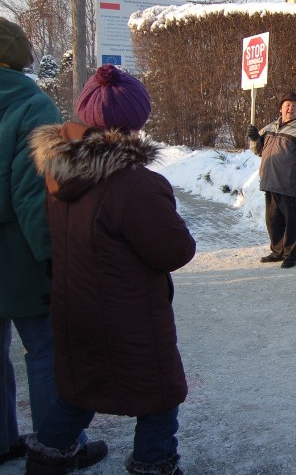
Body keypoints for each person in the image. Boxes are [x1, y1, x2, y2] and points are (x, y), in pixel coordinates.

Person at [26, 64, 196, 474]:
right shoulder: (133, 183)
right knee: (158, 397)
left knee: (79, 390)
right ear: (136, 121)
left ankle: (46, 460)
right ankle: (154, 464)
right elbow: (174, 250)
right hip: (129, 317)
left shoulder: (59, 172)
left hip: (77, 309)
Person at [0, 18, 106, 470]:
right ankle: (58, 444)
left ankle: (4, 441)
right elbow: (31, 193)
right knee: (45, 351)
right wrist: (52, 257)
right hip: (18, 254)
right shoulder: (31, 105)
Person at [247, 92, 296, 269]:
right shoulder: (270, 128)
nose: (291, 108)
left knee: (291, 222)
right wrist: (255, 138)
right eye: (287, 104)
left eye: (295, 106)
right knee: (273, 221)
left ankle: (291, 254)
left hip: (290, 184)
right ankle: (277, 251)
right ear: (280, 108)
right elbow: (258, 151)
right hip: (270, 182)